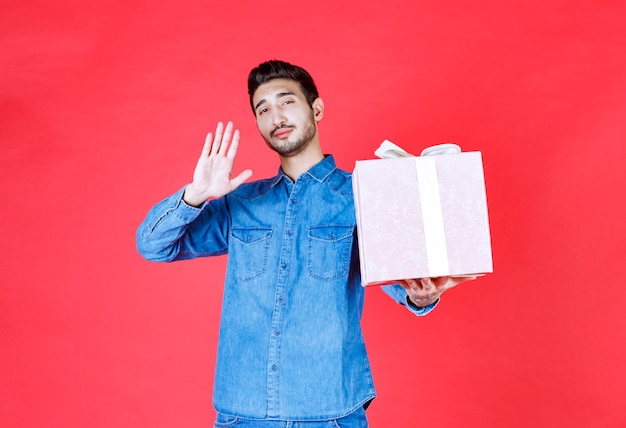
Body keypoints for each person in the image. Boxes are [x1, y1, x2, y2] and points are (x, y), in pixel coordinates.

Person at [136, 60, 474, 427]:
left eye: (286, 102)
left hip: (330, 411)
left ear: (317, 109)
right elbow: (154, 246)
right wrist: (195, 196)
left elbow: (402, 282)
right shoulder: (242, 203)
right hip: (242, 414)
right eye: (263, 109)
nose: (276, 117)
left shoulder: (362, 195)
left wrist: (421, 295)